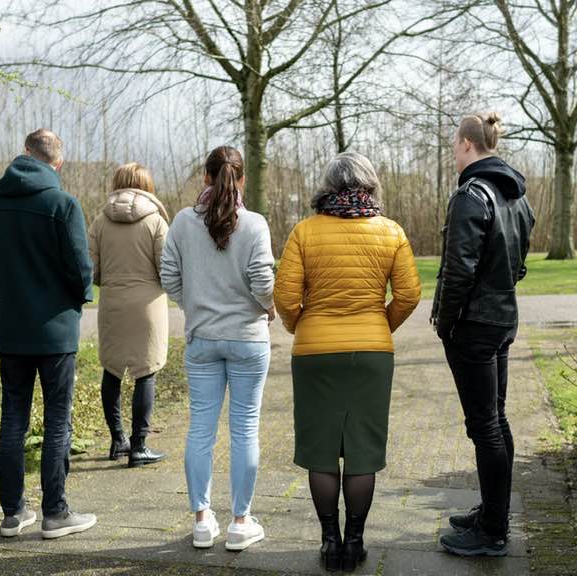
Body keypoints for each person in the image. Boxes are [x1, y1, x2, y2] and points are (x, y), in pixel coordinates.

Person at [274, 151, 421, 572]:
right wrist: (380, 325)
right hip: (372, 354)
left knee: (321, 449)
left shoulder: (304, 232)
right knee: (362, 451)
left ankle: (329, 542)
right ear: (370, 184)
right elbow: (409, 295)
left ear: (328, 185)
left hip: (314, 353)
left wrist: (302, 325)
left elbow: (284, 298)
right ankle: (354, 542)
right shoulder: (391, 231)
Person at [0, 128, 97, 540]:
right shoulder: (63, 204)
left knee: (13, 419)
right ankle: (55, 514)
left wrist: (9, 290)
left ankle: (13, 513)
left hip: (13, 328)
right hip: (56, 331)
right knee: (57, 421)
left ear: (24, 153)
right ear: (56, 163)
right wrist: (75, 299)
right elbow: (80, 270)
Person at [160, 146, 275, 552]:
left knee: (201, 430)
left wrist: (192, 305)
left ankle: (202, 520)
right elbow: (262, 280)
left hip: (202, 337)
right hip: (247, 338)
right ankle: (241, 523)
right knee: (244, 429)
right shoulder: (255, 225)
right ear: (240, 179)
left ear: (205, 177)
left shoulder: (182, 222)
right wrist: (267, 307)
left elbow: (168, 274)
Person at [431, 113, 535, 556]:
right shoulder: (517, 197)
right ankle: (493, 512)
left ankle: (492, 531)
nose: (454, 152)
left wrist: (446, 319)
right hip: (502, 319)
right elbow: (520, 264)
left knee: (485, 426)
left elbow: (459, 269)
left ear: (468, 144)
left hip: (473, 326)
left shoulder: (471, 194)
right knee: (496, 418)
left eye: (455, 144)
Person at [88, 162, 168, 467]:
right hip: (148, 305)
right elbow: (167, 270)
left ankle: (117, 440)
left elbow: (91, 270)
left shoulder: (99, 222)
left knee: (112, 370)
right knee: (146, 370)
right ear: (146, 186)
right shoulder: (157, 223)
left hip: (111, 302)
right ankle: (139, 445)